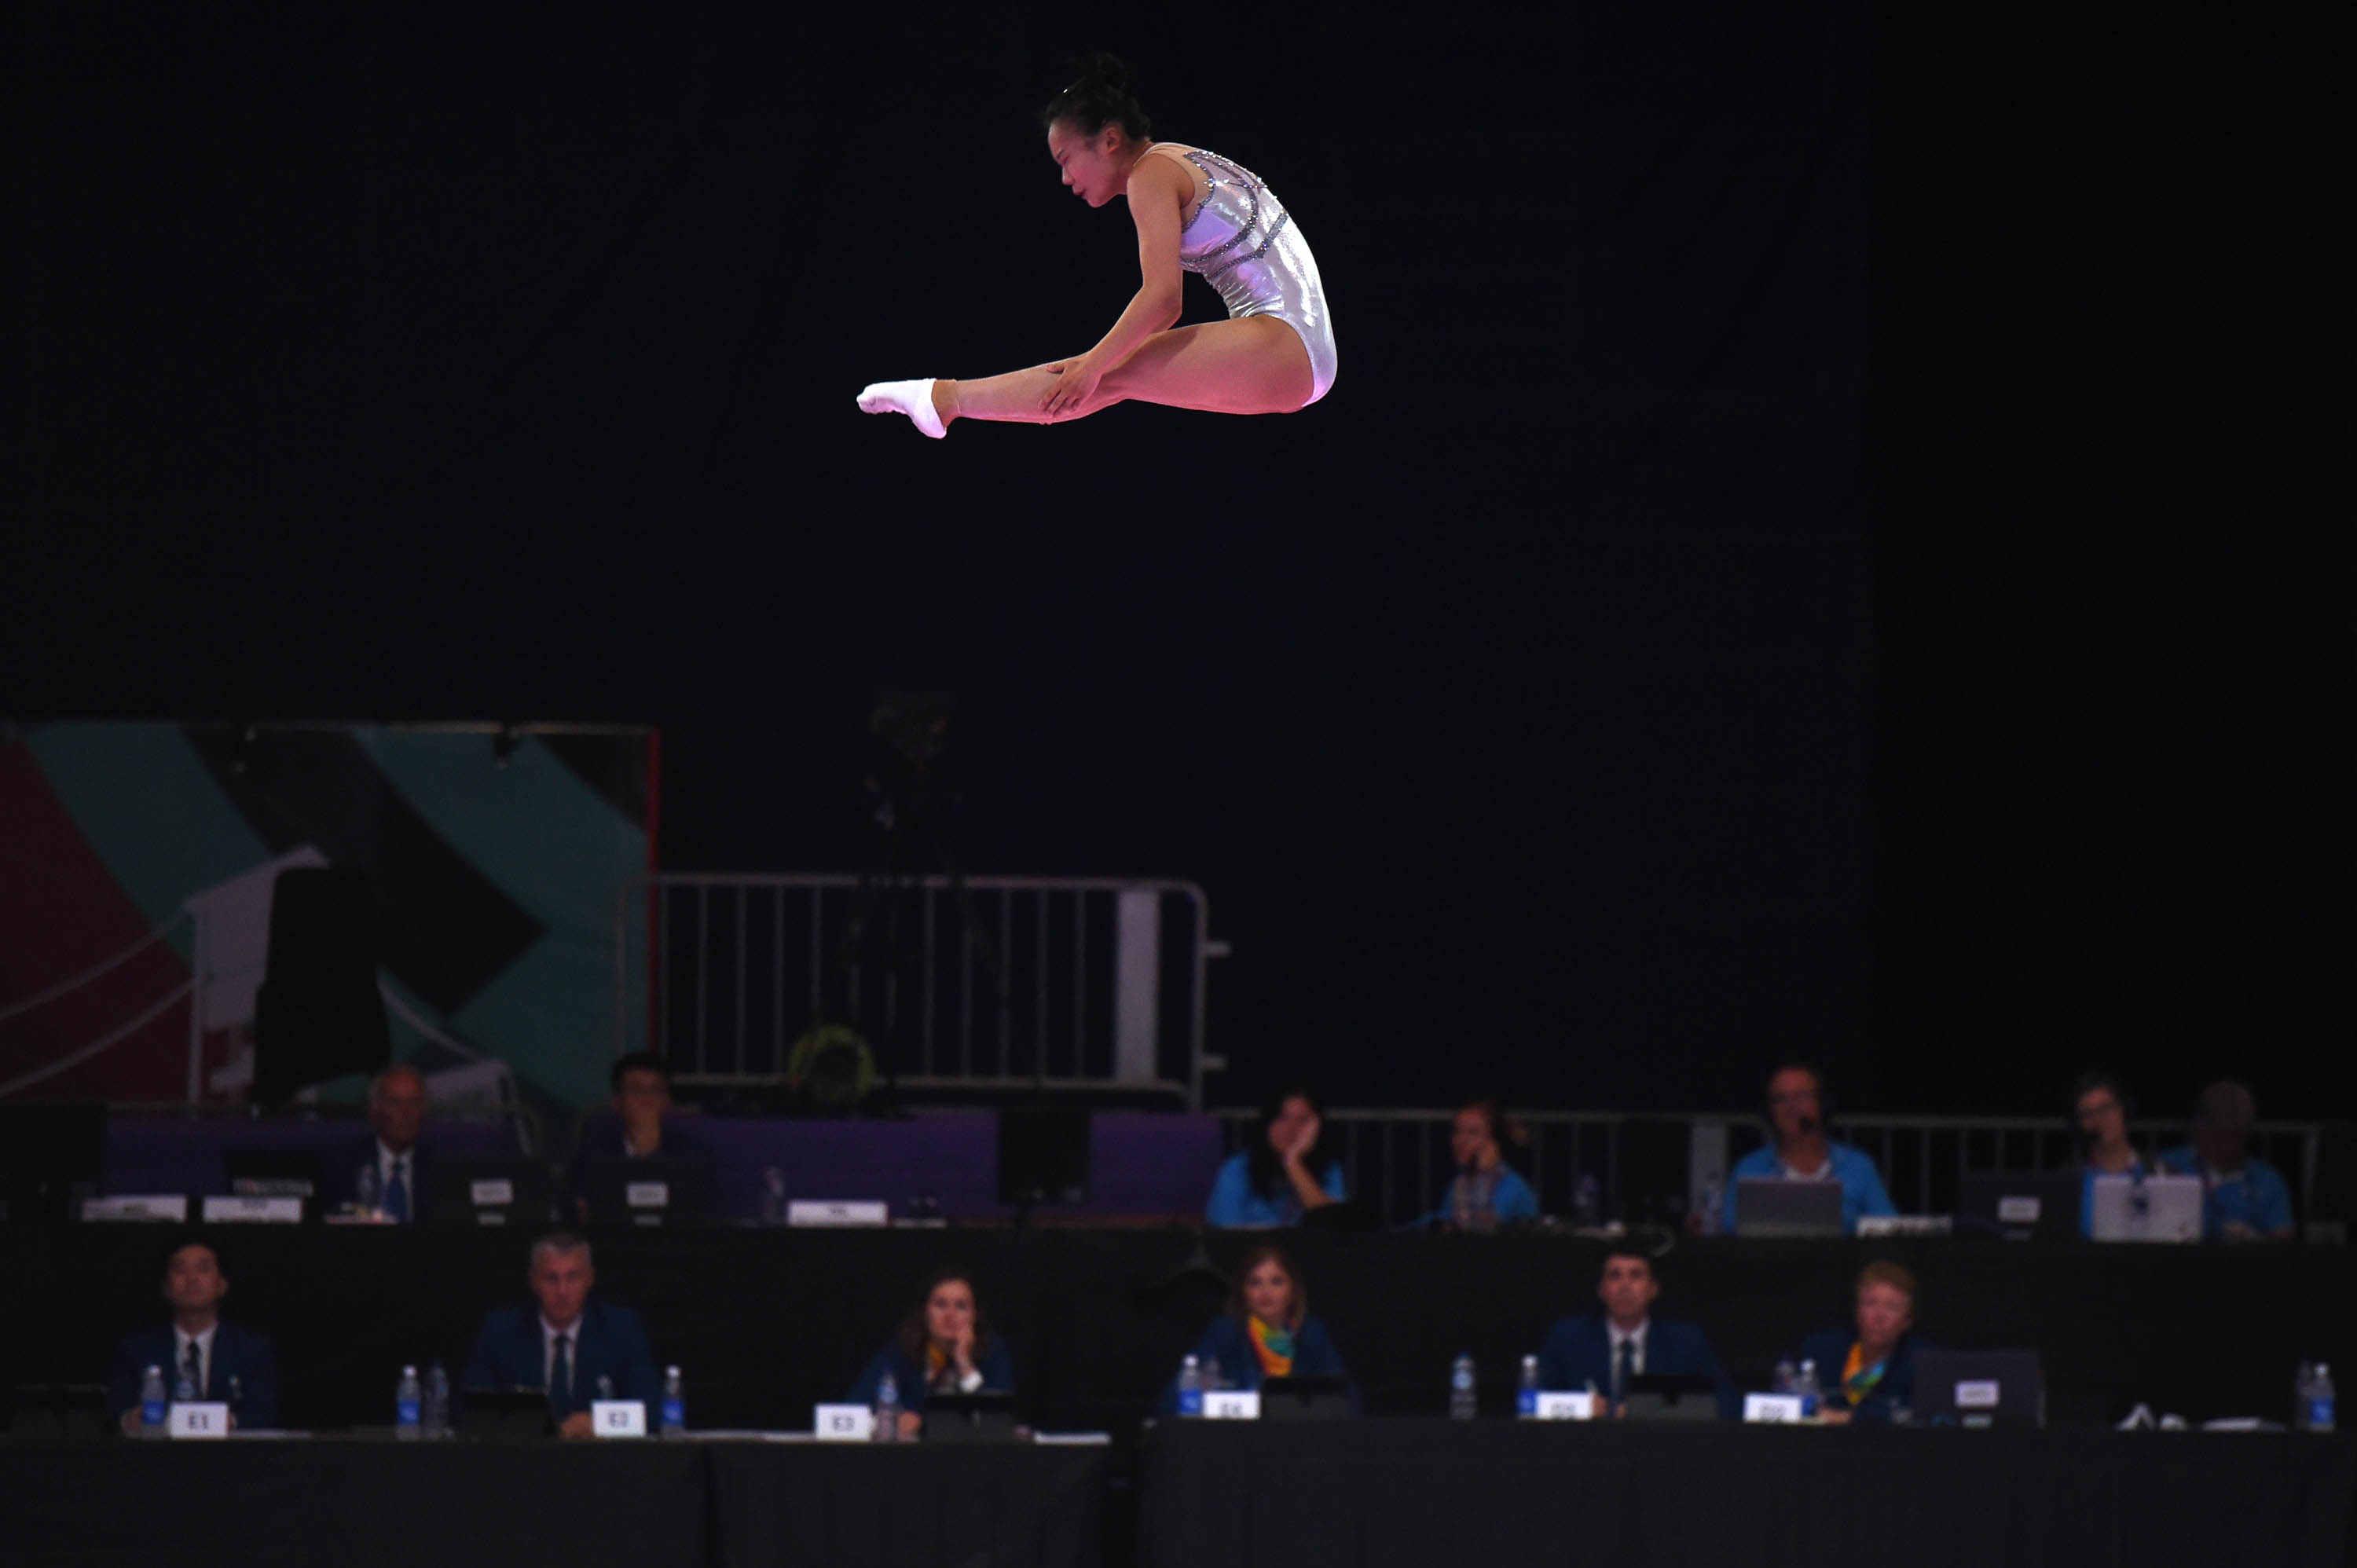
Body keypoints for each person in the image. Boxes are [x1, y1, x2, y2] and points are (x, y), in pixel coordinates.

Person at [856, 53, 1336, 438]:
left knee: (1104, 375)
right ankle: (944, 400)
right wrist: (1093, 366)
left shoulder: (1151, 174)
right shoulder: (1175, 158)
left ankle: (945, 399)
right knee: (1107, 377)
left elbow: (1164, 300)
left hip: (1286, 343)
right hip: (1299, 350)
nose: (1065, 179)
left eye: (1066, 159)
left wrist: (1091, 364)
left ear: (1108, 140)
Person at [461, 1231, 659, 1438]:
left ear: (590, 1279)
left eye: (572, 1278)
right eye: (551, 1278)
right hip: (523, 1454)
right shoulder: (501, 1331)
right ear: (534, 1281)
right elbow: (470, 1413)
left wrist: (597, 1423)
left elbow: (649, 1412)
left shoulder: (621, 1329)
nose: (562, 1291)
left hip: (598, 1455)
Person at [1535, 1243, 1735, 1417]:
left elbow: (1728, 1404)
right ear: (1601, 1290)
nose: (1625, 1286)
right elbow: (1534, 1401)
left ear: (1653, 1289)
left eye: (1636, 1276)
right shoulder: (1568, 1338)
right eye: (1615, 1276)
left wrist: (1645, 1412)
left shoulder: (1685, 1342)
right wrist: (1580, 1407)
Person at [108, 1241, 280, 1432]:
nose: (192, 1279)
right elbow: (115, 1412)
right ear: (166, 1288)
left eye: (203, 1269)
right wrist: (128, 1420)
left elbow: (265, 1413)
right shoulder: (136, 1351)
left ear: (222, 1285)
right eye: (181, 1271)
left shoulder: (252, 1351)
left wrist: (230, 1422)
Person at [1162, 1244, 1353, 1412]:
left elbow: (1347, 1400)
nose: (1266, 1292)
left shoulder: (1312, 1333)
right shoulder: (1225, 1332)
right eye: (1255, 1283)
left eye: (1276, 1282)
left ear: (1293, 1290)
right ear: (1243, 1292)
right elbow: (1173, 1399)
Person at [1719, 1065, 1896, 1235]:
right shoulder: (1749, 1168)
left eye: (1801, 1096)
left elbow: (1889, 1226)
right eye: (1780, 1099)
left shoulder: (1858, 1166)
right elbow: (1729, 1230)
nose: (1791, 1106)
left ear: (1823, 1103)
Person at [847, 1269, 1014, 1440]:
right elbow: (853, 1411)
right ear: (925, 1312)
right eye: (941, 1304)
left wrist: (965, 1365)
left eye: (961, 1306)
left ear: (974, 1315)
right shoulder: (901, 1351)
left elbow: (997, 1424)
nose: (950, 1315)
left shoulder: (993, 1352)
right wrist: (892, 1422)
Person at [569, 1052, 713, 1222]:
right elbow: (573, 1205)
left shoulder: (692, 1150)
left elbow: (698, 1211)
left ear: (668, 1102)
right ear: (617, 1102)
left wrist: (651, 1152)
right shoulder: (595, 1149)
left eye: (656, 1091)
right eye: (636, 1090)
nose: (647, 1099)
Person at [2157, 1080, 2295, 1242]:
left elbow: (2283, 1241)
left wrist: (2254, 1240)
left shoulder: (2269, 1181)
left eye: (2236, 1137)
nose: (2227, 1147)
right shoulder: (2164, 1167)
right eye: (2219, 1136)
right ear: (2198, 1128)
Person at [1796, 1260, 1932, 1425]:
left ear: (1908, 1320)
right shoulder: (1821, 1351)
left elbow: (1919, 1416)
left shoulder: (1923, 1363)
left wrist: (1850, 1418)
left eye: (1892, 1307)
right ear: (1857, 1311)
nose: (1879, 1316)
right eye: (1870, 1303)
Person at [1204, 1086, 1346, 1227]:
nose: (1290, 1128)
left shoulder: (1330, 1170)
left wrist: (1293, 1162)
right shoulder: (1238, 1168)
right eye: (1282, 1118)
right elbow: (1225, 1232)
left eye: (1301, 1121)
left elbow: (1332, 1227)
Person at [321, 1062, 433, 1222]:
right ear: (375, 1110)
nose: (405, 1112)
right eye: (395, 1102)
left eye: (413, 1102)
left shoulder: (438, 1169)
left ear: (423, 1111)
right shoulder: (343, 1166)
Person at [1426, 1098, 1540, 1231]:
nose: (1461, 1141)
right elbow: (1443, 1217)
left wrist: (1484, 1172)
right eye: (1457, 1131)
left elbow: (1480, 1226)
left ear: (1494, 1142)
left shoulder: (1512, 1186)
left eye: (1473, 1133)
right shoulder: (1462, 1179)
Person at [2071, 1070, 2154, 1238]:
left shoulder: (2159, 1173)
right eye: (2088, 1114)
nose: (2098, 1120)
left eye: (2106, 1109)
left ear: (2124, 1110)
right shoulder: (2071, 1181)